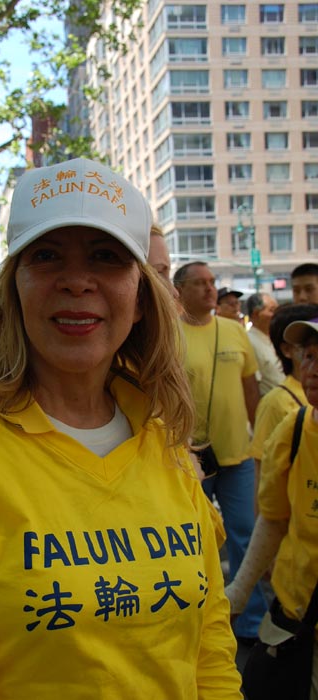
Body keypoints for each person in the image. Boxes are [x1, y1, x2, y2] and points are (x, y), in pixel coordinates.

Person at [0, 158, 242, 699]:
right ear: (15, 289)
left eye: (106, 257)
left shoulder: (164, 440)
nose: (76, 281)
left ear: (140, 298)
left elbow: (209, 644)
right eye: (46, 256)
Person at [173, 261, 266, 645]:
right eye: (200, 283)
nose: (210, 289)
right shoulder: (169, 334)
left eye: (212, 282)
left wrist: (260, 439)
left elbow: (250, 389)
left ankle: (250, 621)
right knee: (193, 540)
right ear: (179, 290)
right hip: (189, 460)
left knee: (246, 535)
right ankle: (196, 620)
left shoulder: (234, 330)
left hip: (237, 456)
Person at [225, 316, 318, 698]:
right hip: (297, 619)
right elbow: (274, 520)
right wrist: (239, 591)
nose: (313, 369)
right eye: (309, 356)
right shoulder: (294, 429)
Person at [250, 303, 318, 500]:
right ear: (287, 350)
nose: (314, 369)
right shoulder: (276, 404)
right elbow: (263, 475)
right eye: (309, 354)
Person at [246, 292, 284, 396]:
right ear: (256, 314)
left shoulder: (274, 338)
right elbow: (252, 385)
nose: (277, 315)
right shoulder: (248, 341)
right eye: (272, 310)